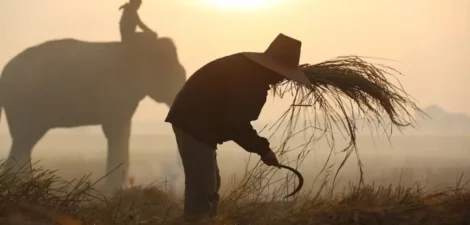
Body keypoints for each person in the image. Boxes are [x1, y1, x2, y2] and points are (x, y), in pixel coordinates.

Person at [165, 33, 311, 223]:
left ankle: (210, 220)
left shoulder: (248, 71)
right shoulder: (250, 82)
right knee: (201, 188)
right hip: (193, 123)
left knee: (211, 183)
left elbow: (233, 120)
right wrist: (263, 150)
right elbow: (236, 124)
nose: (282, 79)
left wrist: (260, 148)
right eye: (283, 74)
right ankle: (197, 220)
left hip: (198, 122)